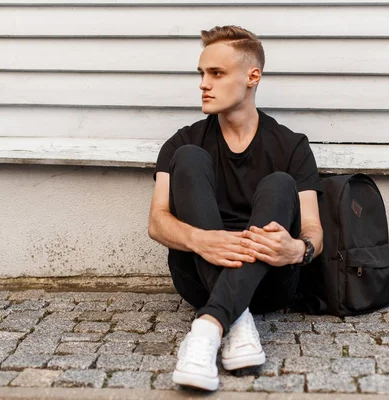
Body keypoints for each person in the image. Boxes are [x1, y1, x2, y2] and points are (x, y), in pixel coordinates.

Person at [147, 25, 324, 391]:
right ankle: (236, 320)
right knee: (190, 159)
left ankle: (209, 327)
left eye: (216, 73)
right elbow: (157, 223)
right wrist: (201, 240)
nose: (203, 84)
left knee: (280, 183)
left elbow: (313, 231)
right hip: (198, 276)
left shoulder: (291, 146)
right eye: (202, 73)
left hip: (270, 283)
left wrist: (297, 248)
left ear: (252, 77)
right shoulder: (184, 141)